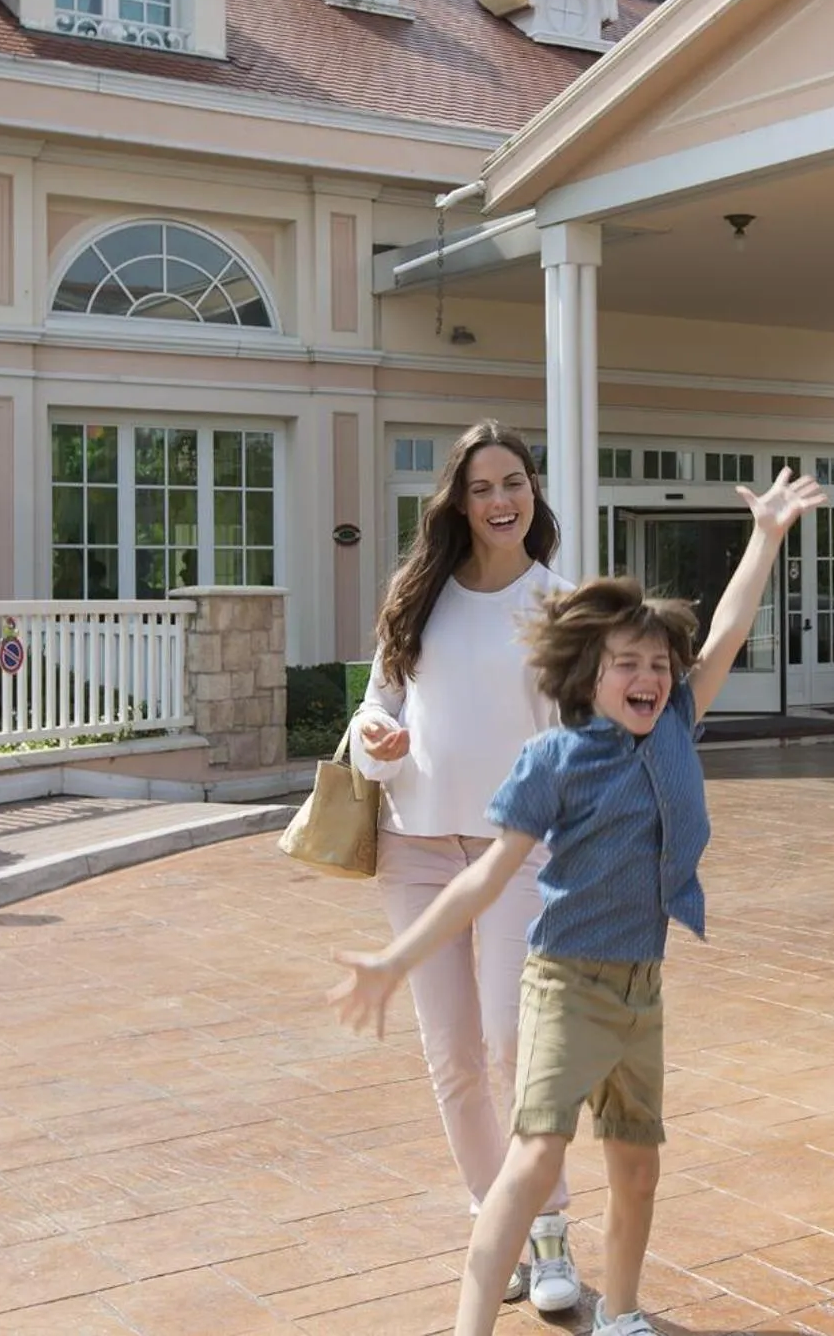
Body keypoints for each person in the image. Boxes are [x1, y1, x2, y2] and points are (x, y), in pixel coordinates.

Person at [330, 467, 828, 1336]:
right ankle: (482, 1309)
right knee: (529, 1162)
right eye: (626, 664)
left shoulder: (672, 721)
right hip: (565, 984)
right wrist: (394, 959)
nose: (647, 676)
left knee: (638, 1170)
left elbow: (728, 631)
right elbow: (484, 880)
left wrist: (767, 536)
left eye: (657, 665)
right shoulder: (554, 760)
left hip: (642, 992)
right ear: (586, 675)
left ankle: (623, 1313)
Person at [346, 420, 579, 1313]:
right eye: (483, 487)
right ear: (458, 500)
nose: (500, 500)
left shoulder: (560, 602)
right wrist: (376, 738)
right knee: (451, 1057)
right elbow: (378, 702)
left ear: (532, 491)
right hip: (415, 847)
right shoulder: (418, 594)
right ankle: (500, 1225)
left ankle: (550, 1226)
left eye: (513, 482)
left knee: (515, 1044)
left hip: (519, 850)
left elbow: (577, 738)